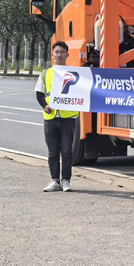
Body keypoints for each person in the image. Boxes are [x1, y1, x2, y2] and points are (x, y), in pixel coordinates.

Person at [34, 41, 79, 192]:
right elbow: (39, 94)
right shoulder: (46, 73)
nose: (59, 54)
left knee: (66, 152)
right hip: (50, 118)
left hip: (68, 118)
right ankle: (55, 181)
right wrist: (44, 106)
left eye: (62, 52)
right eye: (56, 52)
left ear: (67, 54)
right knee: (53, 152)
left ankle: (66, 180)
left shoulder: (74, 73)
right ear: (52, 54)